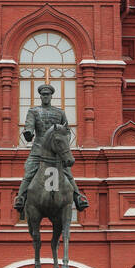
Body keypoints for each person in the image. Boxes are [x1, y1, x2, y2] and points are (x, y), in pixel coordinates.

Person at [12, 84, 89, 212]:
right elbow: (29, 126)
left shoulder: (60, 113)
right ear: (40, 96)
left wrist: (64, 144)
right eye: (43, 95)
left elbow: (67, 131)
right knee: (29, 172)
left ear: (51, 96)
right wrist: (28, 133)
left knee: (68, 173)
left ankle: (78, 197)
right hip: (38, 150)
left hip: (56, 152)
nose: (45, 97)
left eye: (47, 94)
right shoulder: (33, 111)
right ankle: (20, 198)